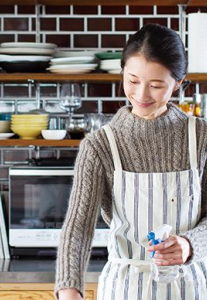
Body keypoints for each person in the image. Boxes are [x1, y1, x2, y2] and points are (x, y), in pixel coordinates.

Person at [55, 23, 207, 300]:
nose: (141, 95)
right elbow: (78, 226)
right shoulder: (100, 144)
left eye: (156, 85)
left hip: (189, 287)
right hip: (123, 288)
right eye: (133, 81)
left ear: (179, 83)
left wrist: (189, 245)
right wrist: (69, 288)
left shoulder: (201, 138)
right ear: (122, 72)